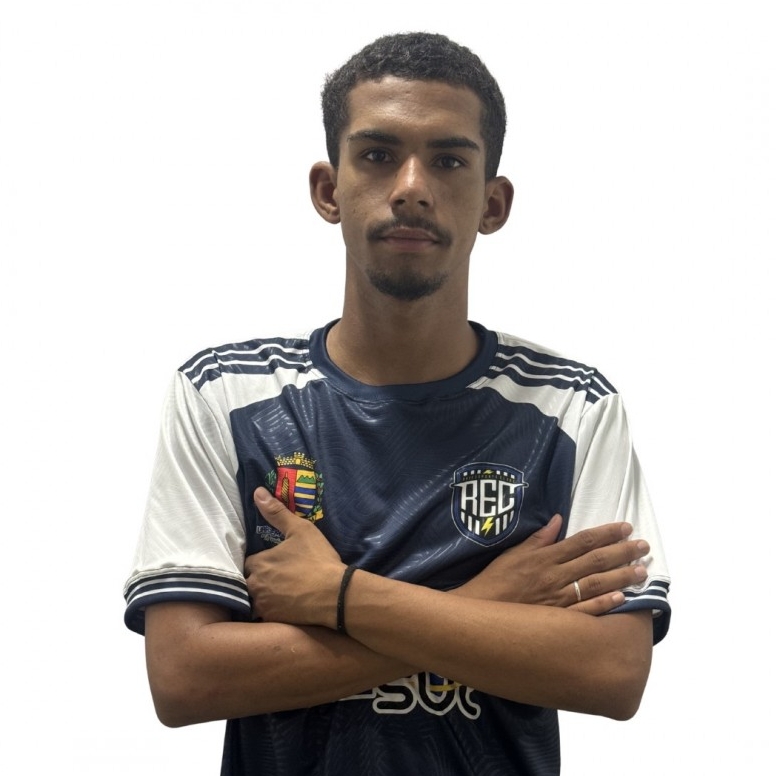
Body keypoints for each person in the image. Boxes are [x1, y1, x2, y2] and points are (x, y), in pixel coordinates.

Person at [124, 32, 670, 775]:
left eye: (449, 160)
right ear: (329, 190)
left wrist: (339, 596)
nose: (412, 186)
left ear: (493, 203)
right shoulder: (224, 393)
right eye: (379, 154)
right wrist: (489, 599)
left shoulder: (574, 408)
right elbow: (185, 678)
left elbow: (612, 673)